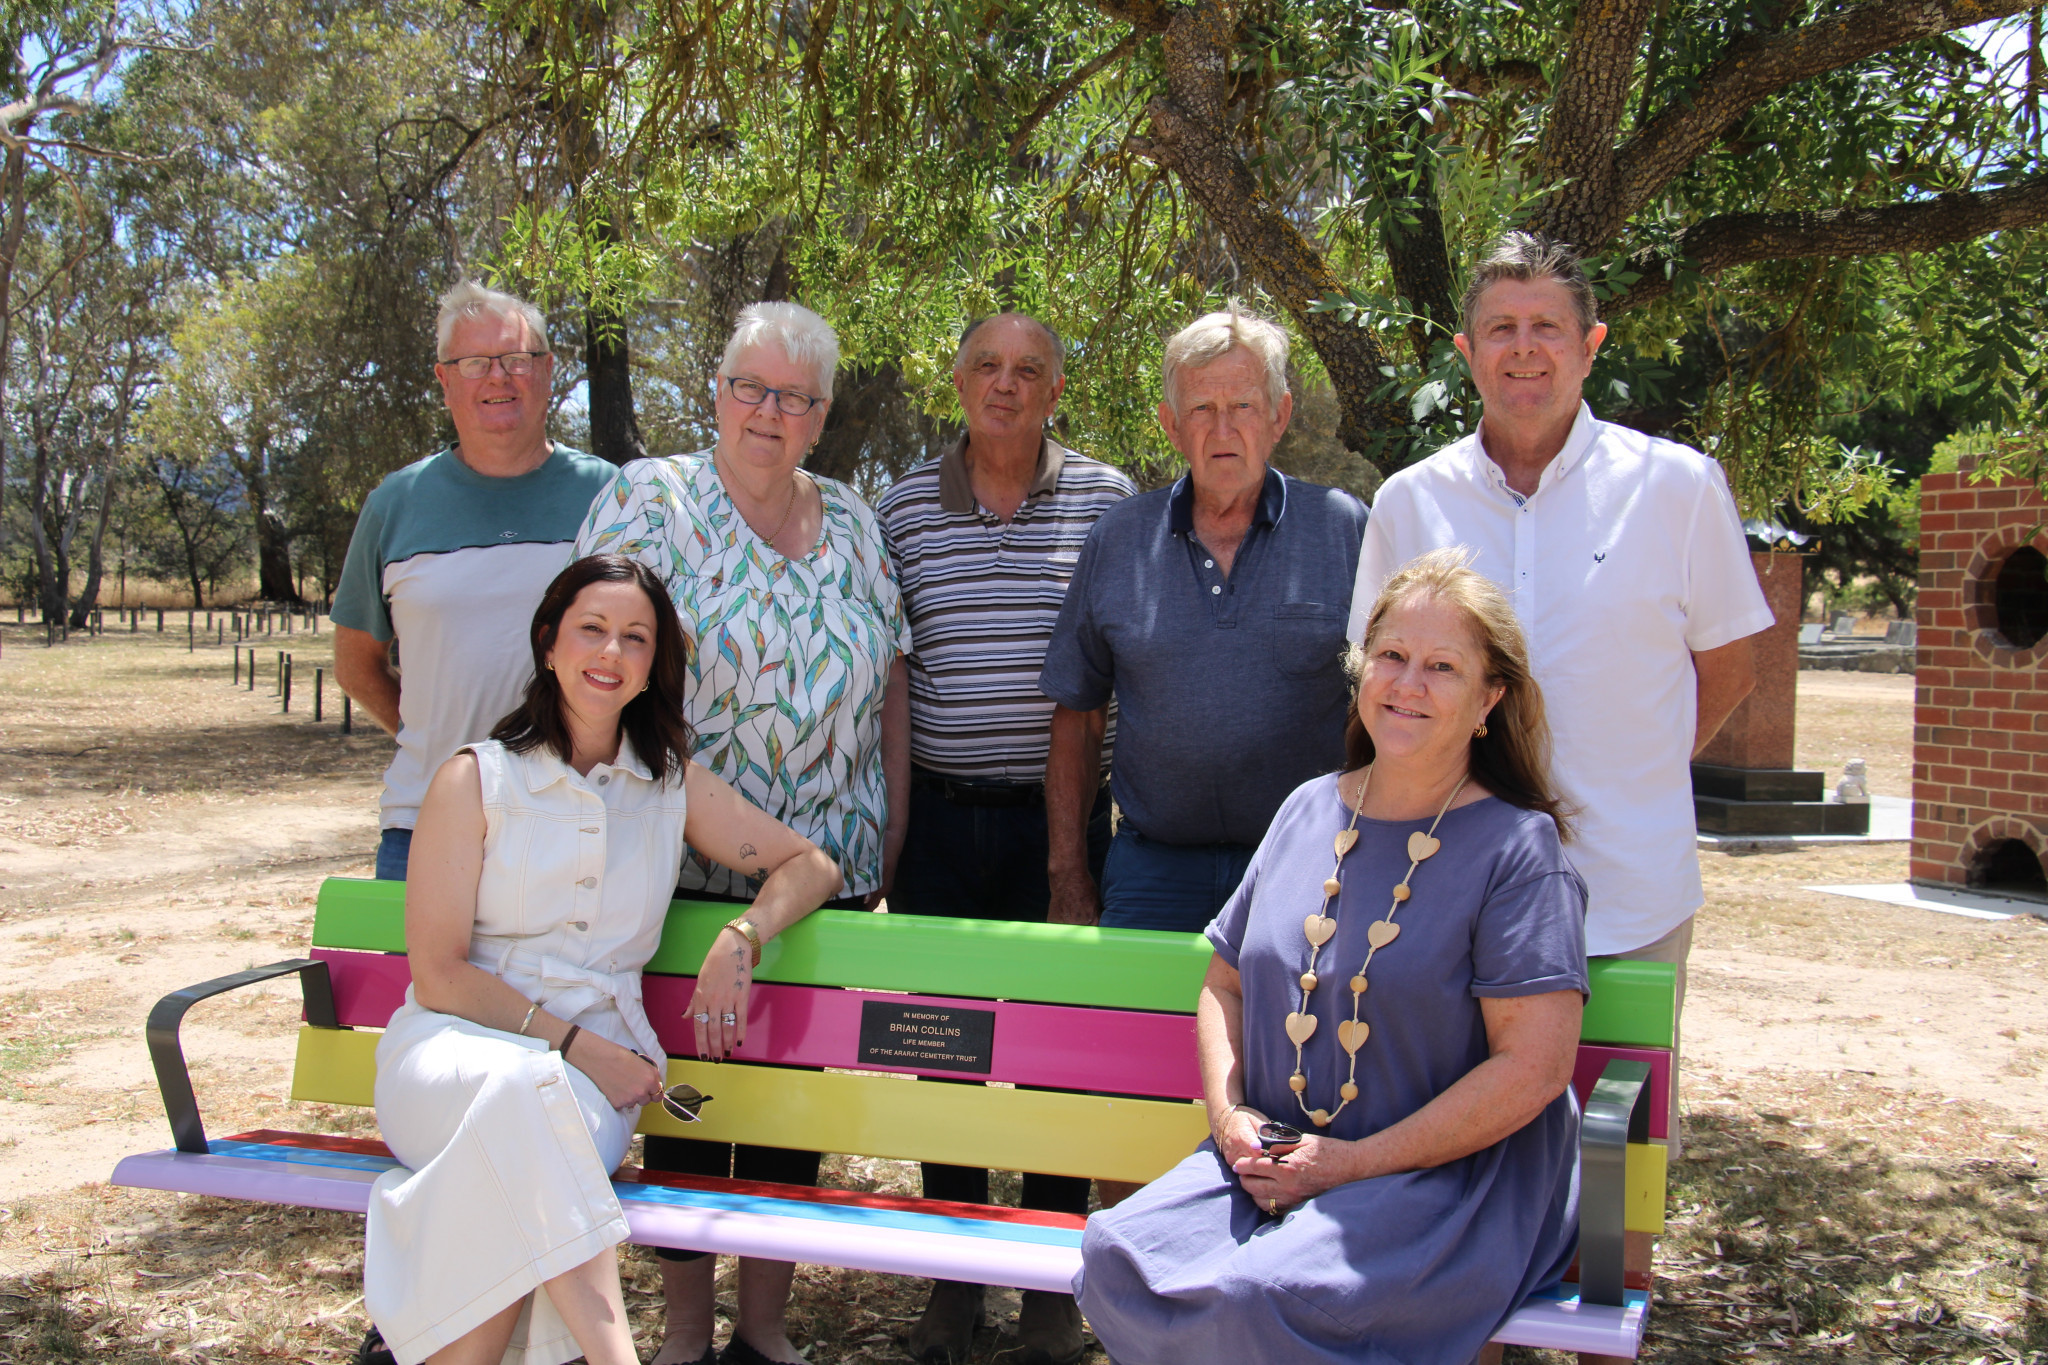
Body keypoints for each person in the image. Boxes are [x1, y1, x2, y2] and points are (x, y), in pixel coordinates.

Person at [1075, 549, 1588, 1365]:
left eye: (1442, 666)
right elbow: (1224, 980)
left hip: (1442, 1180)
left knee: (1264, 1299)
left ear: (1490, 697)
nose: (1407, 683)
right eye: (1390, 656)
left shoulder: (1518, 850)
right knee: (1116, 1257)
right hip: (1276, 1158)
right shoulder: (1307, 807)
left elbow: (1534, 1065)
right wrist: (1231, 1116)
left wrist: (1350, 1164)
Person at [1346, 232, 1772, 1159]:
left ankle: (1619, 1302)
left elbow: (1731, 669)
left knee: (1621, 1164)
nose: (1524, 347)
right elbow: (1383, 690)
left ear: (1592, 345)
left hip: (1630, 892)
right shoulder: (1409, 504)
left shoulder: (1678, 488)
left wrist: (1640, 768)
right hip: (1451, 901)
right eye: (1500, 327)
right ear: (1465, 353)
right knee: (1462, 1155)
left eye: (1548, 325)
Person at [363, 554, 842, 1365]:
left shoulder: (668, 788)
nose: (610, 652)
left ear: (653, 666)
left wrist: (743, 934)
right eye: (592, 628)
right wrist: (575, 1045)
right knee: (526, 1093)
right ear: (548, 642)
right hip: (451, 1058)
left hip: (590, 1090)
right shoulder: (474, 779)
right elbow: (440, 975)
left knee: (522, 1145)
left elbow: (814, 866)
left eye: (635, 638)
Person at [572, 301, 911, 1365]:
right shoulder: (648, 501)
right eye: (748, 388)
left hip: (827, 873)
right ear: (714, 393)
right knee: (689, 1094)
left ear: (820, 415)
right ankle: (681, 1335)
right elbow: (596, 667)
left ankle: (762, 1329)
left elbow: (891, 683)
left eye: (794, 397)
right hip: (680, 864)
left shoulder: (856, 521)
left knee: (789, 1106)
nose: (768, 412)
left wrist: (886, 834)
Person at [876, 313, 1133, 1365]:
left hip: (1062, 824)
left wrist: (1074, 850)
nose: (1005, 387)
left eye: (1028, 371)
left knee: (1058, 1061)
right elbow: (886, 673)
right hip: (940, 819)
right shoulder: (897, 508)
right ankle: (953, 1284)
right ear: (955, 381)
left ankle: (1044, 1292)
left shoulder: (1109, 501)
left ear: (1055, 389)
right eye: (985, 365)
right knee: (944, 1054)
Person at [1040, 305, 1369, 934]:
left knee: (1301, 1033)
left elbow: (1389, 705)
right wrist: (1068, 874)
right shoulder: (1118, 540)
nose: (1223, 429)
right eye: (1201, 410)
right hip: (1150, 871)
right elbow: (1076, 718)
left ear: (1280, 415)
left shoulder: (1342, 528)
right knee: (1134, 1028)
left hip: (1311, 864)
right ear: (1170, 425)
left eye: (1243, 406)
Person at [332, 281, 614, 882]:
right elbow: (357, 666)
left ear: (547, 371)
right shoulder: (395, 504)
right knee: (422, 982)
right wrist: (439, 743)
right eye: (475, 363)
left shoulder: (612, 497)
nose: (499, 378)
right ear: (444, 379)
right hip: (426, 826)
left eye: (517, 359)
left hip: (579, 823)